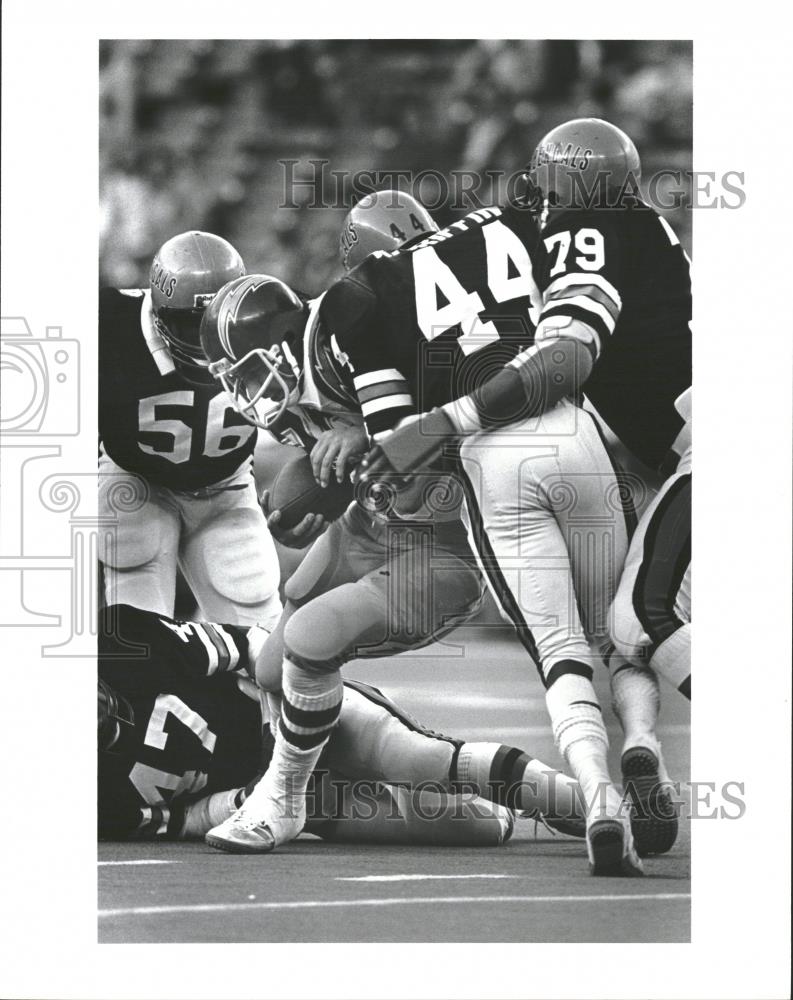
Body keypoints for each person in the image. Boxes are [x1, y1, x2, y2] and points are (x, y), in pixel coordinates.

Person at [201, 198, 639, 874]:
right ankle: (533, 786)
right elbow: (332, 459)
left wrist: (362, 438)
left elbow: (443, 437)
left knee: (312, 642)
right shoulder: (335, 334)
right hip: (375, 526)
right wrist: (328, 471)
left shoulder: (396, 329)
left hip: (446, 544)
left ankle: (284, 795)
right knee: (271, 665)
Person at [358, 118, 691, 857]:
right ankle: (641, 745)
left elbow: (567, 356)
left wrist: (434, 426)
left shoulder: (568, 228)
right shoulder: (625, 224)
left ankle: (601, 799)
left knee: (595, 635)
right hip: (607, 446)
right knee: (626, 634)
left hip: (529, 445)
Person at [99, 603, 584, 846]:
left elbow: (251, 647)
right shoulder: (89, 798)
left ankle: (592, 805)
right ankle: (516, 803)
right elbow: (184, 820)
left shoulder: (120, 639)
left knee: (422, 758)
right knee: (481, 828)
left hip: (295, 717)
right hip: (294, 798)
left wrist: (286, 710)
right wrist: (242, 800)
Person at [98, 231, 281, 629]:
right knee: (140, 633)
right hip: (137, 481)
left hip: (226, 487)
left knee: (259, 626)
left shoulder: (272, 319)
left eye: (214, 319)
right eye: (190, 322)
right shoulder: (107, 323)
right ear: (158, 307)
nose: (203, 337)